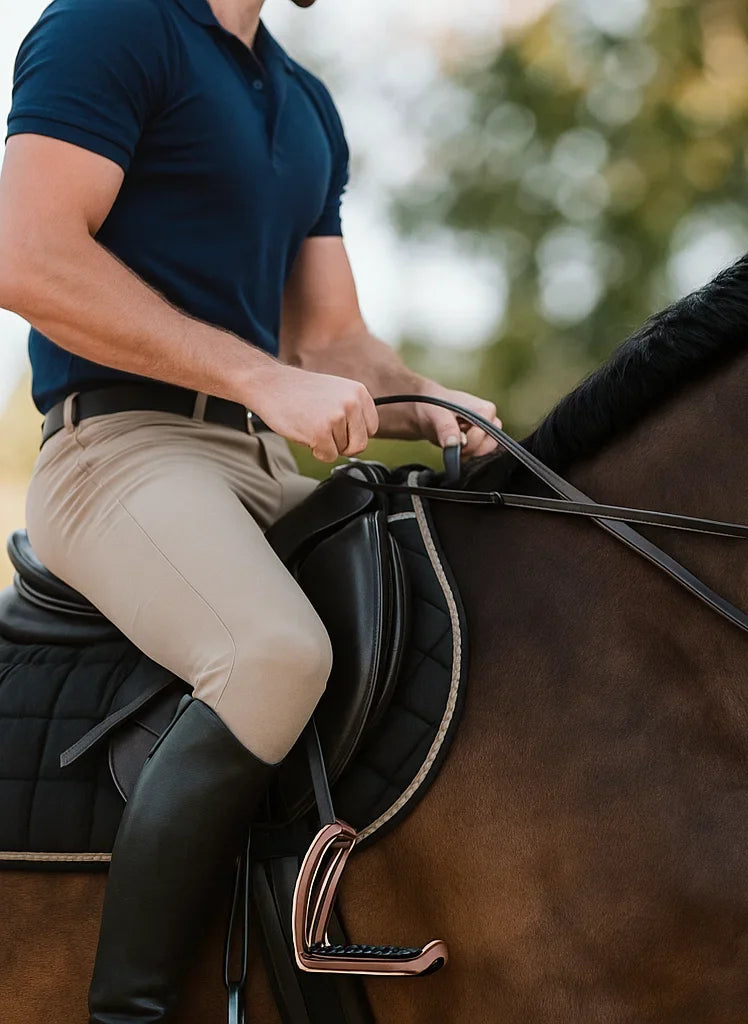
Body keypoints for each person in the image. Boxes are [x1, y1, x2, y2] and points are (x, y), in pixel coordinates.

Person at [0, 0, 501, 1019]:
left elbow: (327, 344)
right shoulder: (108, 25)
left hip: (264, 458)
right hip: (118, 450)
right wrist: (256, 376)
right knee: (272, 652)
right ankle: (129, 1011)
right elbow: (26, 253)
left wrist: (427, 398)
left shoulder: (303, 100)